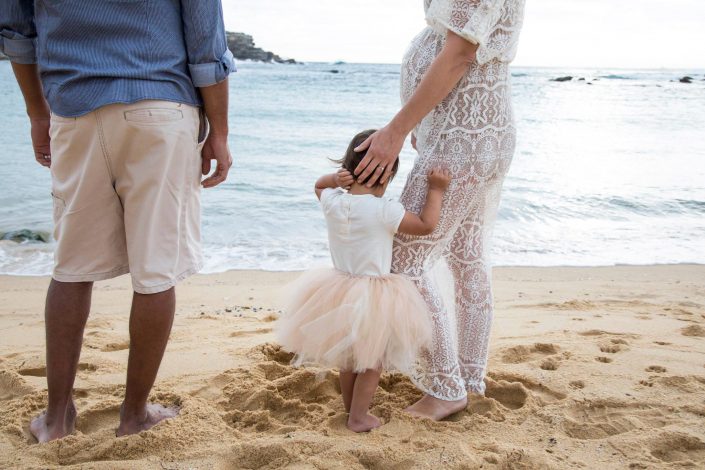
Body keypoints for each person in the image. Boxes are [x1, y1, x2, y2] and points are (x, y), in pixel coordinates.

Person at [0, 1, 234, 442]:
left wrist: (36, 112)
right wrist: (218, 131)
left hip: (74, 109)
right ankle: (134, 415)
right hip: (160, 110)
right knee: (156, 269)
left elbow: (16, 32)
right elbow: (206, 43)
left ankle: (56, 419)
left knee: (71, 268)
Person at [351, 0, 526, 420]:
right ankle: (468, 378)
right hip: (467, 133)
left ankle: (447, 385)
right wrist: (423, 124)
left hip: (464, 137)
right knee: (466, 258)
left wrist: (397, 130)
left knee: (403, 259)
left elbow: (460, 54)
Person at [276, 130, 451, 432]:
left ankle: (350, 411)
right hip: (373, 295)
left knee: (350, 358)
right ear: (387, 176)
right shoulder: (384, 210)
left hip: (338, 289)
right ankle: (359, 417)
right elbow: (425, 226)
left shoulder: (332, 202)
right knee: (372, 360)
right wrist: (436, 190)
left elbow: (318, 185)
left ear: (347, 168)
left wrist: (334, 179)